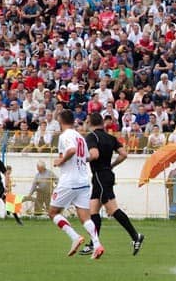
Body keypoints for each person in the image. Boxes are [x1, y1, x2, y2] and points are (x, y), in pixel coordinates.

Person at [79, 113, 144, 256]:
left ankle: (135, 236)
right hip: (104, 175)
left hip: (100, 176)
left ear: (90, 122)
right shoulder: (111, 137)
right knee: (93, 210)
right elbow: (124, 154)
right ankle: (93, 243)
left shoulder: (91, 137)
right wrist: (112, 165)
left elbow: (94, 155)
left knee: (112, 209)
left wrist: (83, 160)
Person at [48, 109, 103, 259]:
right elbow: (87, 157)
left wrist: (62, 160)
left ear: (60, 121)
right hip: (83, 181)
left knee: (53, 212)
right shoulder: (80, 137)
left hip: (69, 181)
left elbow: (71, 150)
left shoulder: (65, 136)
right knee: (85, 217)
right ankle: (97, 245)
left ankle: (75, 237)